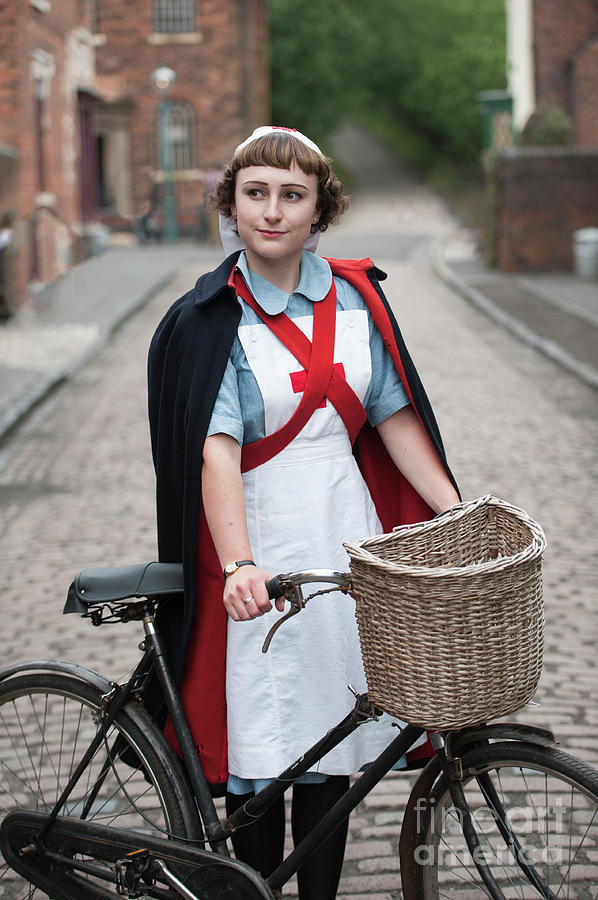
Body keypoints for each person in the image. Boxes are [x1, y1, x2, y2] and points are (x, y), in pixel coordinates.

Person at [147, 126, 460, 899]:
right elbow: (215, 450)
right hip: (254, 533)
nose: (273, 211)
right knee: (263, 742)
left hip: (340, 531)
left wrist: (456, 511)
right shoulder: (212, 317)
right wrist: (239, 563)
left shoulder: (358, 300)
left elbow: (393, 417)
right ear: (233, 203)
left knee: (334, 733)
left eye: (293, 195)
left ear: (320, 209)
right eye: (256, 193)